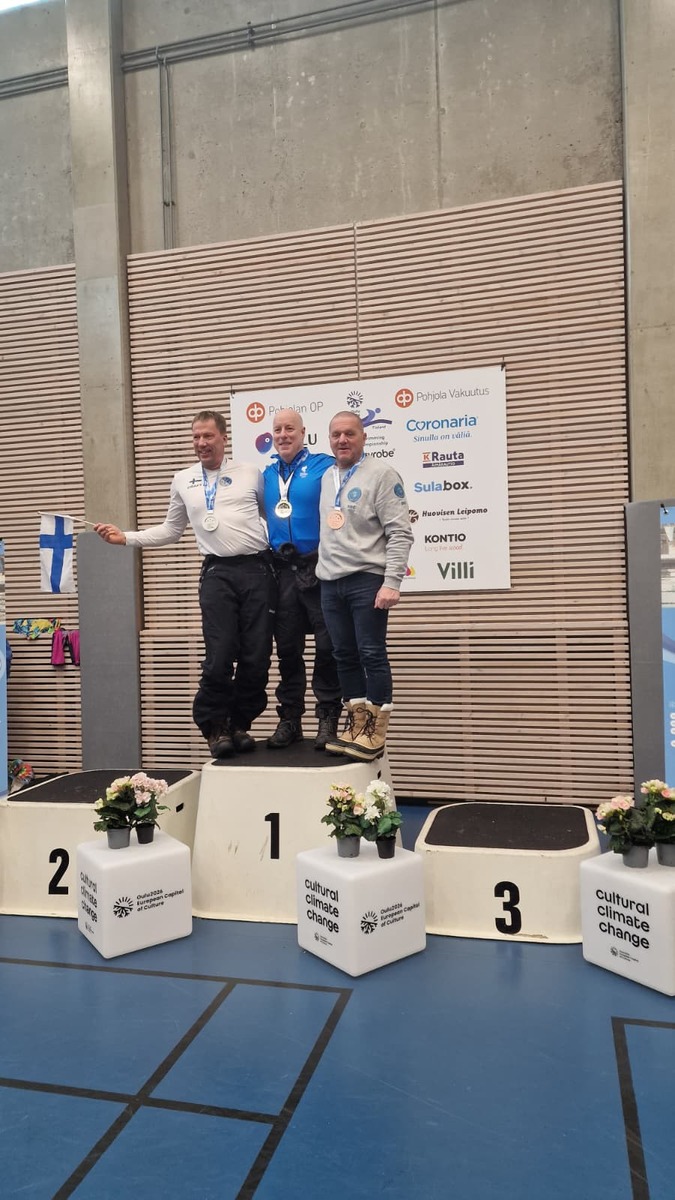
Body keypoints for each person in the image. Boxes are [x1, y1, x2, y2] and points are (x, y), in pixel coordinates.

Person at [94, 410, 276, 759]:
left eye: (208, 436)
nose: (201, 443)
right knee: (219, 655)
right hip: (217, 574)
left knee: (256, 657)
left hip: (257, 570)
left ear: (224, 438)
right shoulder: (183, 479)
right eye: (196, 437)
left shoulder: (251, 473)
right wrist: (125, 537)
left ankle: (240, 723)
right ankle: (215, 726)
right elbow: (171, 530)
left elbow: (274, 519)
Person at [316, 410, 414, 762]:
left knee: (371, 653)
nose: (342, 440)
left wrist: (392, 582)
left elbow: (400, 532)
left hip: (367, 581)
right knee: (342, 654)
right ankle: (357, 725)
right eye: (336, 435)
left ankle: (376, 729)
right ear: (329, 440)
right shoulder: (327, 477)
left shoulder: (382, 474)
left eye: (350, 434)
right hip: (330, 582)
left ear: (363, 437)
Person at [263, 408, 342, 750]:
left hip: (319, 568)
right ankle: (290, 720)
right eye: (278, 430)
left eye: (289, 429)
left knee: (328, 647)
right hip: (282, 571)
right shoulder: (266, 475)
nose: (283, 435)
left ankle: (328, 718)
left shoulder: (324, 466)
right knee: (287, 649)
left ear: (303, 433)